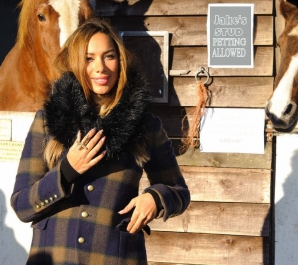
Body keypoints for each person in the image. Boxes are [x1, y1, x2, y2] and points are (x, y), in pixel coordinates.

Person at [11, 17, 190, 264]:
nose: (100, 68)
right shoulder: (47, 121)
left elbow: (179, 192)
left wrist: (156, 198)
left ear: (120, 61)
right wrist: (66, 171)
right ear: (74, 63)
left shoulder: (145, 125)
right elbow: (22, 206)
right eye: (89, 58)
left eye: (109, 56)